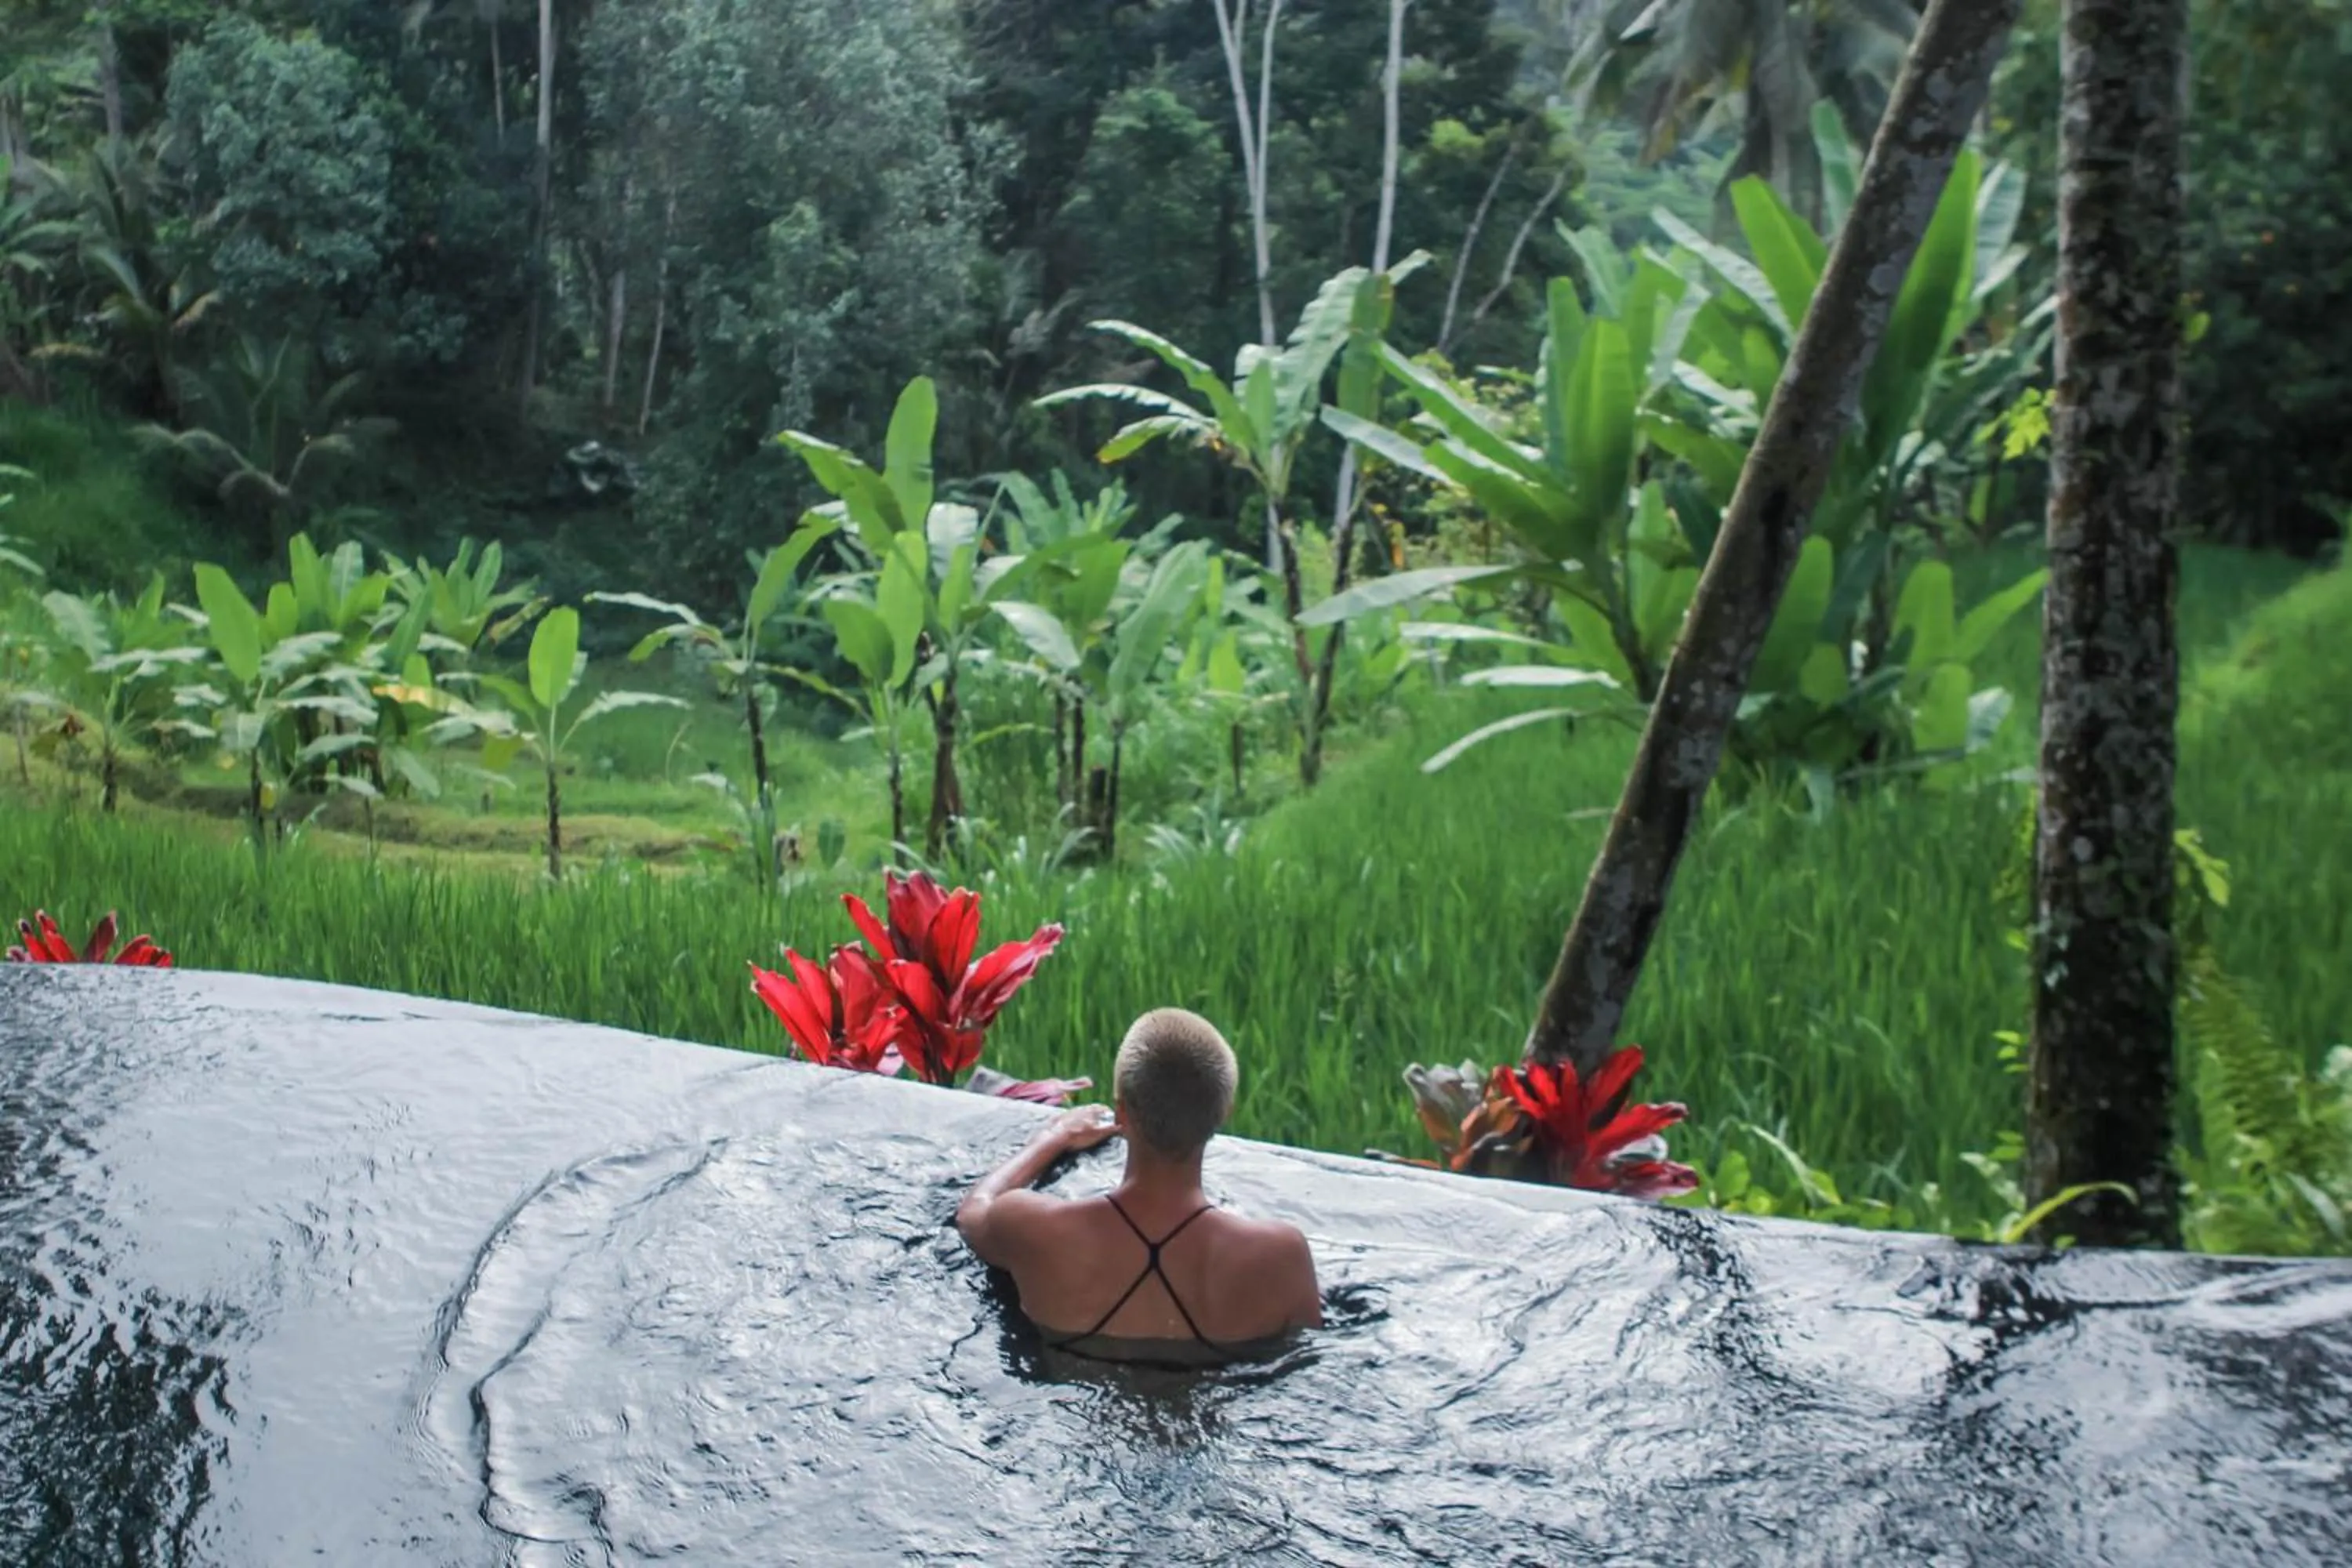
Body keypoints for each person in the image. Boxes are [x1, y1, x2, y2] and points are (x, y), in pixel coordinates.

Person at [956, 1008, 1323, 1358]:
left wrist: (1054, 1137)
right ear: (1224, 1112)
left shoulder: (1037, 1227)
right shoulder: (1281, 1257)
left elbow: (975, 1211)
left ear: (1122, 1111)